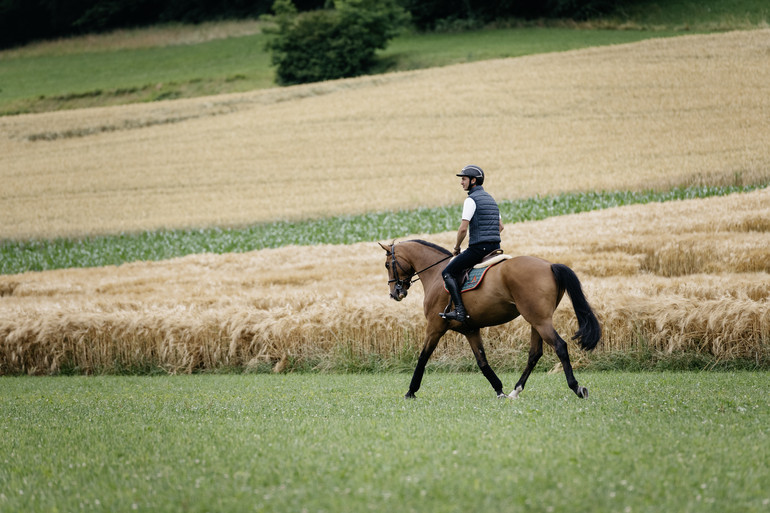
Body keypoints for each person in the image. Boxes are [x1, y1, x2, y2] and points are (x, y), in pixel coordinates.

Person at [440, 165, 504, 323]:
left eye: (464, 179)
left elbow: (463, 229)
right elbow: (500, 227)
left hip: (478, 249)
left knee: (448, 272)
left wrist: (456, 248)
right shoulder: (490, 199)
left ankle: (459, 312)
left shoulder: (471, 200)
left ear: (473, 180)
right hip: (495, 248)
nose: (461, 182)